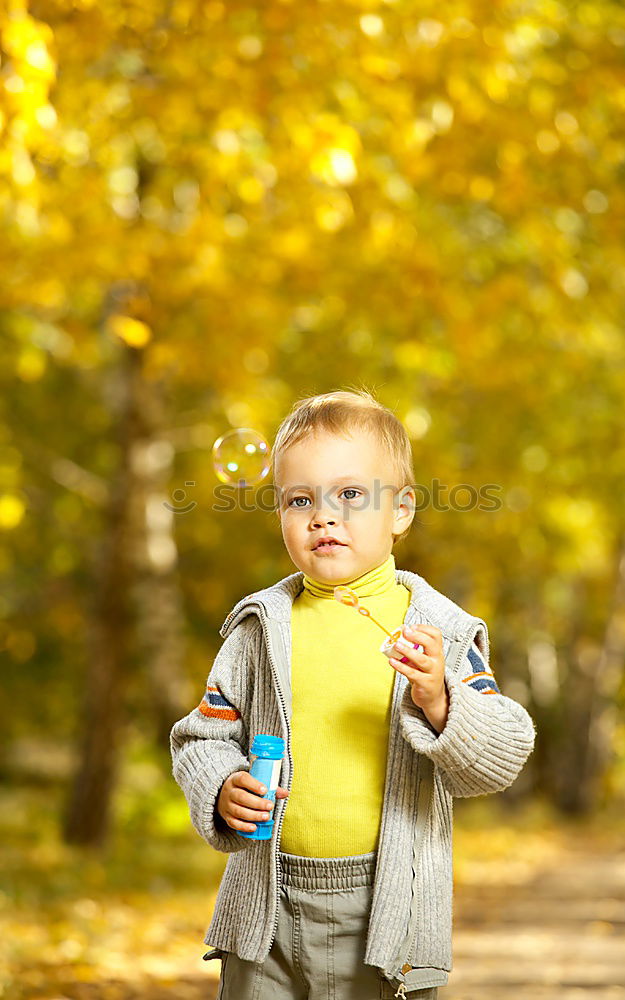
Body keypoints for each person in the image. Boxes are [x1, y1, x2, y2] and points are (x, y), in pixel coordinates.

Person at [170, 388, 536, 1000]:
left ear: (402, 511)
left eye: (350, 495)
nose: (324, 516)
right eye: (300, 499)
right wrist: (221, 785)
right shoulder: (260, 628)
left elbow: (502, 754)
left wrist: (443, 704)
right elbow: (201, 737)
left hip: (387, 909)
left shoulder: (439, 632)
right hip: (267, 906)